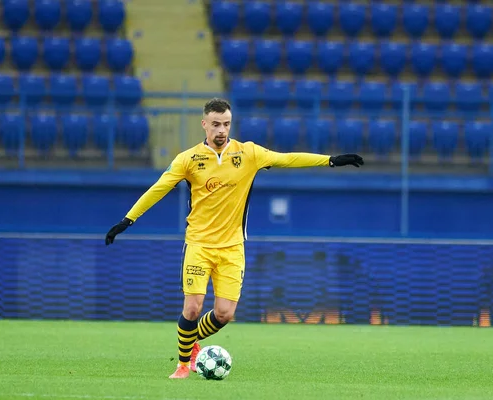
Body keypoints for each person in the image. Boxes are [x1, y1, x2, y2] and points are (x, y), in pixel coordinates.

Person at [104, 98, 364, 379]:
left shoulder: (248, 153)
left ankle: (190, 343)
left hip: (232, 248)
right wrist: (127, 220)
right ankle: (182, 365)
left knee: (224, 314)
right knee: (192, 308)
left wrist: (331, 161)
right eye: (216, 124)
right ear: (204, 124)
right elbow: (158, 189)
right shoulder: (188, 159)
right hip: (199, 245)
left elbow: (287, 158)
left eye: (226, 124)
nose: (221, 130)